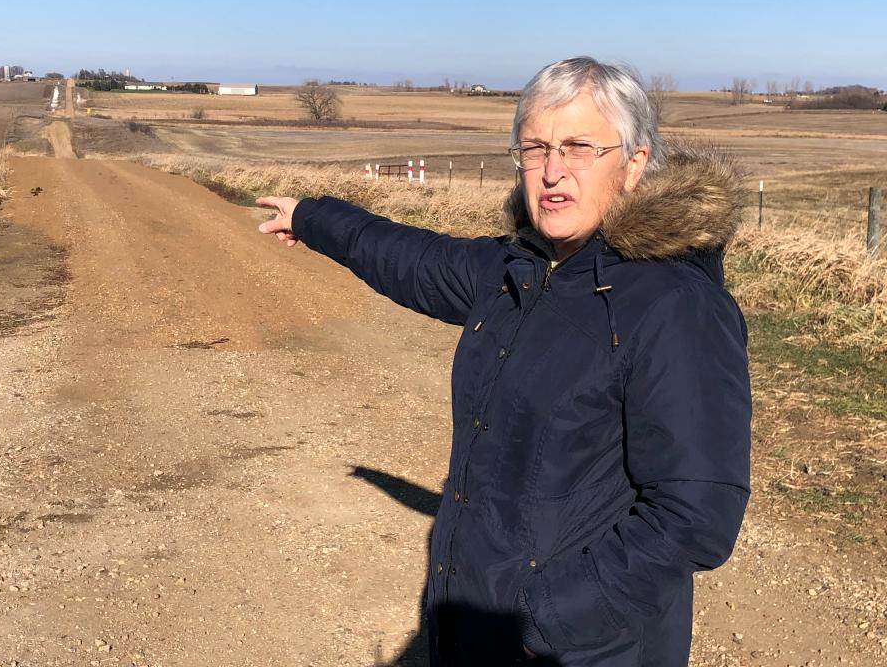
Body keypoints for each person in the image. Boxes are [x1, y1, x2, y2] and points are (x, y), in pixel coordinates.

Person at [257, 57, 751, 667]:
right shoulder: (523, 268)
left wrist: (543, 618)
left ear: (634, 164)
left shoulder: (675, 305)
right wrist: (313, 218)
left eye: (578, 148)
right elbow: (414, 258)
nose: (551, 172)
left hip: (579, 648)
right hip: (481, 624)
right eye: (535, 149)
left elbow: (694, 515)